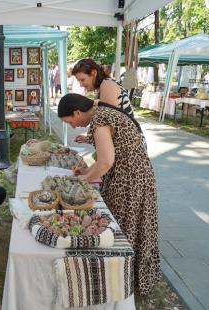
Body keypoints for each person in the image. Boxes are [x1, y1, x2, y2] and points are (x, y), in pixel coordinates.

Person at [57, 93, 161, 295]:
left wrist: (82, 181)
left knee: (126, 229)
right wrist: (88, 172)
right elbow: (107, 157)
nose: (72, 126)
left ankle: (124, 281)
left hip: (130, 181)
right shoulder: (102, 113)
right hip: (133, 176)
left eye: (69, 121)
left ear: (77, 112)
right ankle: (130, 278)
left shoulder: (101, 119)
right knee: (134, 226)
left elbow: (106, 162)